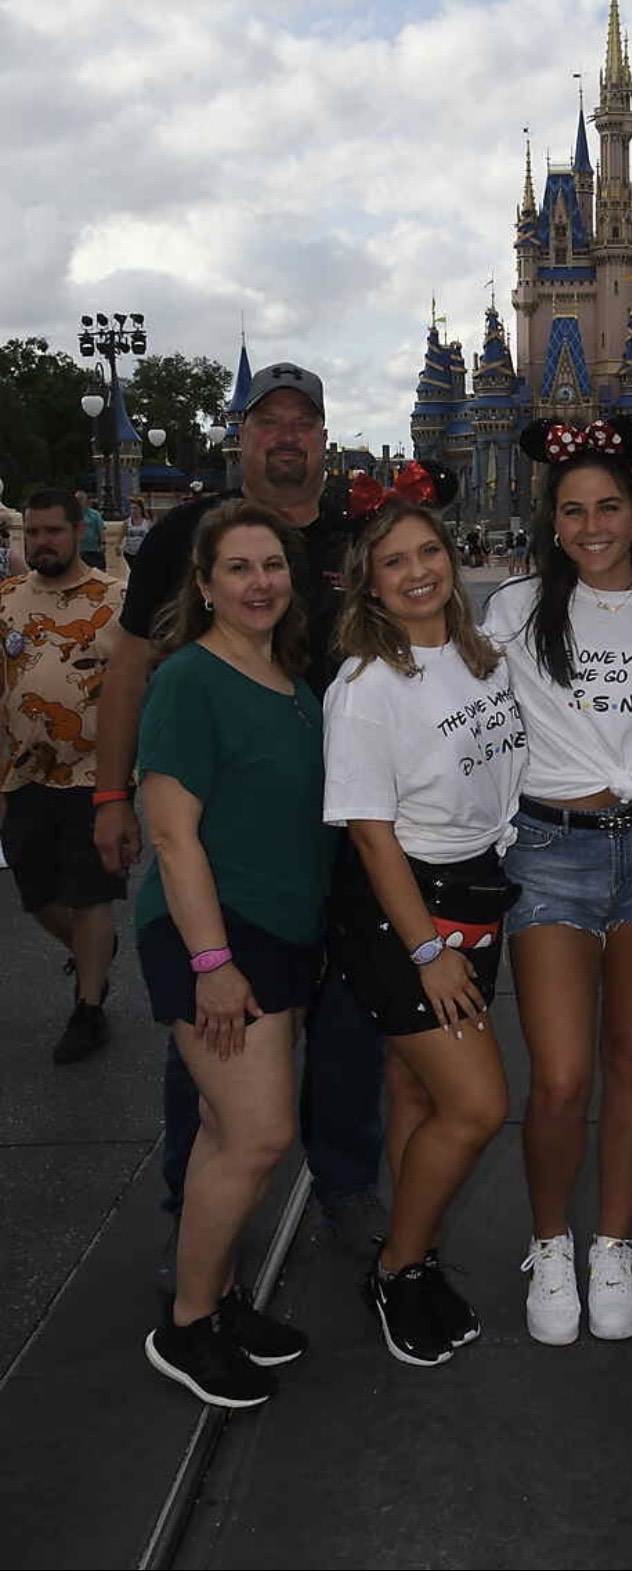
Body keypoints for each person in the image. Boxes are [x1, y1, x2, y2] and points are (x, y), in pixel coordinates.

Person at [92, 363, 385, 1259]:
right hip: (224, 826)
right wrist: (110, 793)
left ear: (324, 438)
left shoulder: (363, 533)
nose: (286, 435)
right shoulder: (187, 530)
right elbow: (131, 664)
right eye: (269, 421)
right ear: (243, 436)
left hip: (350, 823)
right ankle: (196, 1192)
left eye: (303, 421)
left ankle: (345, 1182)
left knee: (347, 1019)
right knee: (213, 1026)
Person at [483, 415, 632, 1344]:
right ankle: (549, 1240)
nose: (591, 526)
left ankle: (611, 1241)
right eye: (572, 509)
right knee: (561, 1073)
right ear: (552, 516)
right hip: (551, 850)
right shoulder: (512, 608)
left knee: (631, 1054)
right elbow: (449, 707)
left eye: (607, 506)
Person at [323, 483, 526, 1367]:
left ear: (451, 558)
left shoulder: (479, 657)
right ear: (368, 587)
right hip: (408, 911)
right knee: (479, 1104)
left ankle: (417, 1246)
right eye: (392, 562)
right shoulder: (368, 685)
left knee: (418, 1096)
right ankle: (398, 1266)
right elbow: (371, 836)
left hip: (477, 895)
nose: (415, 572)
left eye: (427, 553)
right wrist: (428, 950)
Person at [140, 500, 335, 1408]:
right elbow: (173, 836)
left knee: (227, 1133)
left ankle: (214, 1300)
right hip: (216, 932)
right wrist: (213, 963)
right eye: (239, 567)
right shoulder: (188, 679)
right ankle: (184, 1324)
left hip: (282, 931)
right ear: (205, 584)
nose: (260, 582)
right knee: (259, 1133)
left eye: (272, 565)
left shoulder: (291, 682)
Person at [0, 490, 125, 1063]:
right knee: (37, 893)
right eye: (34, 533)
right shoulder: (7, 602)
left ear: (79, 532)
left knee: (90, 892)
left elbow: (137, 684)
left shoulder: (114, 599)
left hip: (92, 775)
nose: (42, 542)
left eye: (53, 531)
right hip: (23, 774)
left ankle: (88, 1008)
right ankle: (92, 949)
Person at [75, 489, 106, 571]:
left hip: (93, 549)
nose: (79, 501)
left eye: (81, 499)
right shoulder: (71, 515)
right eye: (77, 499)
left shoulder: (94, 514)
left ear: (86, 501)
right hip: (78, 550)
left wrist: (103, 543)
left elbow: (101, 529)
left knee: (98, 571)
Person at [122, 498, 152, 565]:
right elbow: (121, 536)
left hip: (142, 553)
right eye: (131, 508)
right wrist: (118, 547)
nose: (133, 511)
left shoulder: (147, 523)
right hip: (129, 553)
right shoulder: (127, 522)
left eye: (135, 508)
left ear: (140, 509)